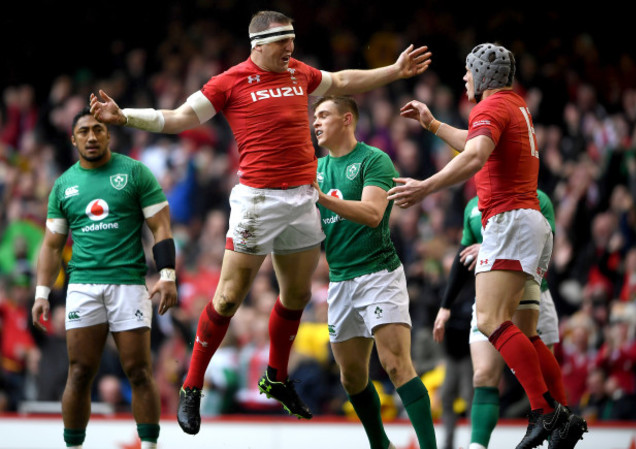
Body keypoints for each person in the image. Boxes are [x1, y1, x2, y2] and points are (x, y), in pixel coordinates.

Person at [89, 10, 431, 435]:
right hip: (257, 201)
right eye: (282, 43)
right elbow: (178, 117)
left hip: (303, 197)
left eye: (292, 41)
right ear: (258, 45)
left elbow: (341, 82)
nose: (291, 49)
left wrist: (394, 71)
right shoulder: (229, 81)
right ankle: (191, 386)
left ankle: (276, 376)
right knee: (229, 297)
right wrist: (126, 117)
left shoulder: (297, 73)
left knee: (297, 294)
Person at [387, 43, 587, 449]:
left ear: (482, 75)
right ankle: (561, 414)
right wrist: (433, 125)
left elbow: (477, 154)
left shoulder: (489, 107)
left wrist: (426, 186)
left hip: (509, 220)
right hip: (529, 221)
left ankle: (546, 413)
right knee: (524, 332)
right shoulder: (514, 105)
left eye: (467, 71)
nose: (464, 79)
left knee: (491, 320)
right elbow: (477, 142)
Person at [31, 107, 178, 449]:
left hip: (128, 283)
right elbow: (52, 246)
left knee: (139, 371)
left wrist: (168, 274)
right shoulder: (64, 185)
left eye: (98, 129)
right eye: (84, 131)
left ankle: (150, 445)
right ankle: (74, 446)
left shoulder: (135, 172)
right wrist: (41, 293)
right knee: (80, 372)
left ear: (109, 134)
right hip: (82, 285)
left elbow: (161, 226)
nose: (92, 136)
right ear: (73, 138)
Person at [312, 95, 438, 449]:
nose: (316, 122)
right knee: (351, 377)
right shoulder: (314, 168)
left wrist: (320, 197)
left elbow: (371, 213)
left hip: (379, 274)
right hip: (340, 281)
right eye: (315, 117)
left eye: (323, 115)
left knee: (396, 365)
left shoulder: (373, 159)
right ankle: (380, 444)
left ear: (347, 119)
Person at [434, 190, 561, 449]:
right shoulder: (473, 206)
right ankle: (477, 446)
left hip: (529, 292)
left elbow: (545, 246)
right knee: (482, 375)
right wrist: (445, 306)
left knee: (540, 380)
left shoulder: (536, 199)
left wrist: (493, 249)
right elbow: (461, 257)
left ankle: (557, 435)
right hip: (487, 299)